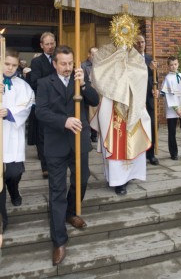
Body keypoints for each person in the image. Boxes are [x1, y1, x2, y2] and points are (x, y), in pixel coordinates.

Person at [35, 45, 99, 266]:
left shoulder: (79, 79)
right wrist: (64, 121)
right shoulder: (44, 83)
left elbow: (94, 100)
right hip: (55, 144)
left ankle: (71, 211)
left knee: (82, 180)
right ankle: (59, 241)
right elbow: (40, 112)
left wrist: (84, 82)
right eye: (63, 63)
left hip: (78, 142)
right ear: (54, 64)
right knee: (57, 190)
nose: (67, 67)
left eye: (70, 63)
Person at [91, 15, 151, 196]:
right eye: (121, 31)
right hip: (112, 106)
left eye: (128, 32)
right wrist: (118, 65)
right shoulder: (104, 52)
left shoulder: (135, 55)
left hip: (133, 106)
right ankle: (118, 180)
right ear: (114, 31)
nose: (125, 36)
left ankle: (131, 174)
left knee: (133, 139)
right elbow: (98, 73)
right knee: (115, 142)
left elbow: (142, 76)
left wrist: (129, 73)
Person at [0, 48, 34, 231]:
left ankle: (13, 189)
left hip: (12, 134)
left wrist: (10, 112)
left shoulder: (23, 86)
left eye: (14, 65)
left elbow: (27, 105)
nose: (10, 68)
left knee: (13, 173)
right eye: (7, 64)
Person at [31, 32, 56, 178]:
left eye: (52, 43)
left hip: (59, 103)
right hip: (44, 104)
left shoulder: (60, 58)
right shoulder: (37, 62)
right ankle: (45, 167)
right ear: (41, 46)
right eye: (47, 44)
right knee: (43, 137)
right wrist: (53, 81)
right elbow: (35, 81)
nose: (50, 46)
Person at [161, 56, 181, 160]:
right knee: (172, 131)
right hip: (172, 108)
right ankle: (173, 153)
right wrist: (176, 109)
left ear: (178, 64)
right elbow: (168, 95)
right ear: (168, 66)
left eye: (175, 64)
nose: (173, 66)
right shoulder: (168, 78)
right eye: (171, 65)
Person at [135, 35, 159, 165]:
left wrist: (156, 89)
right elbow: (136, 75)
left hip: (149, 97)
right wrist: (148, 69)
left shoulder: (150, 58)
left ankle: (151, 154)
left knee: (152, 125)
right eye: (138, 42)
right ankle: (138, 154)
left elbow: (155, 77)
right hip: (137, 98)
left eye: (143, 42)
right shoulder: (131, 59)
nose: (140, 44)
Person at [81, 47, 98, 143]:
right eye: (93, 54)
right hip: (87, 90)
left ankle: (94, 133)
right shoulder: (83, 65)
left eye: (97, 54)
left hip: (97, 92)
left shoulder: (100, 65)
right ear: (89, 54)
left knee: (96, 113)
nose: (95, 56)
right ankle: (88, 133)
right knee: (88, 114)